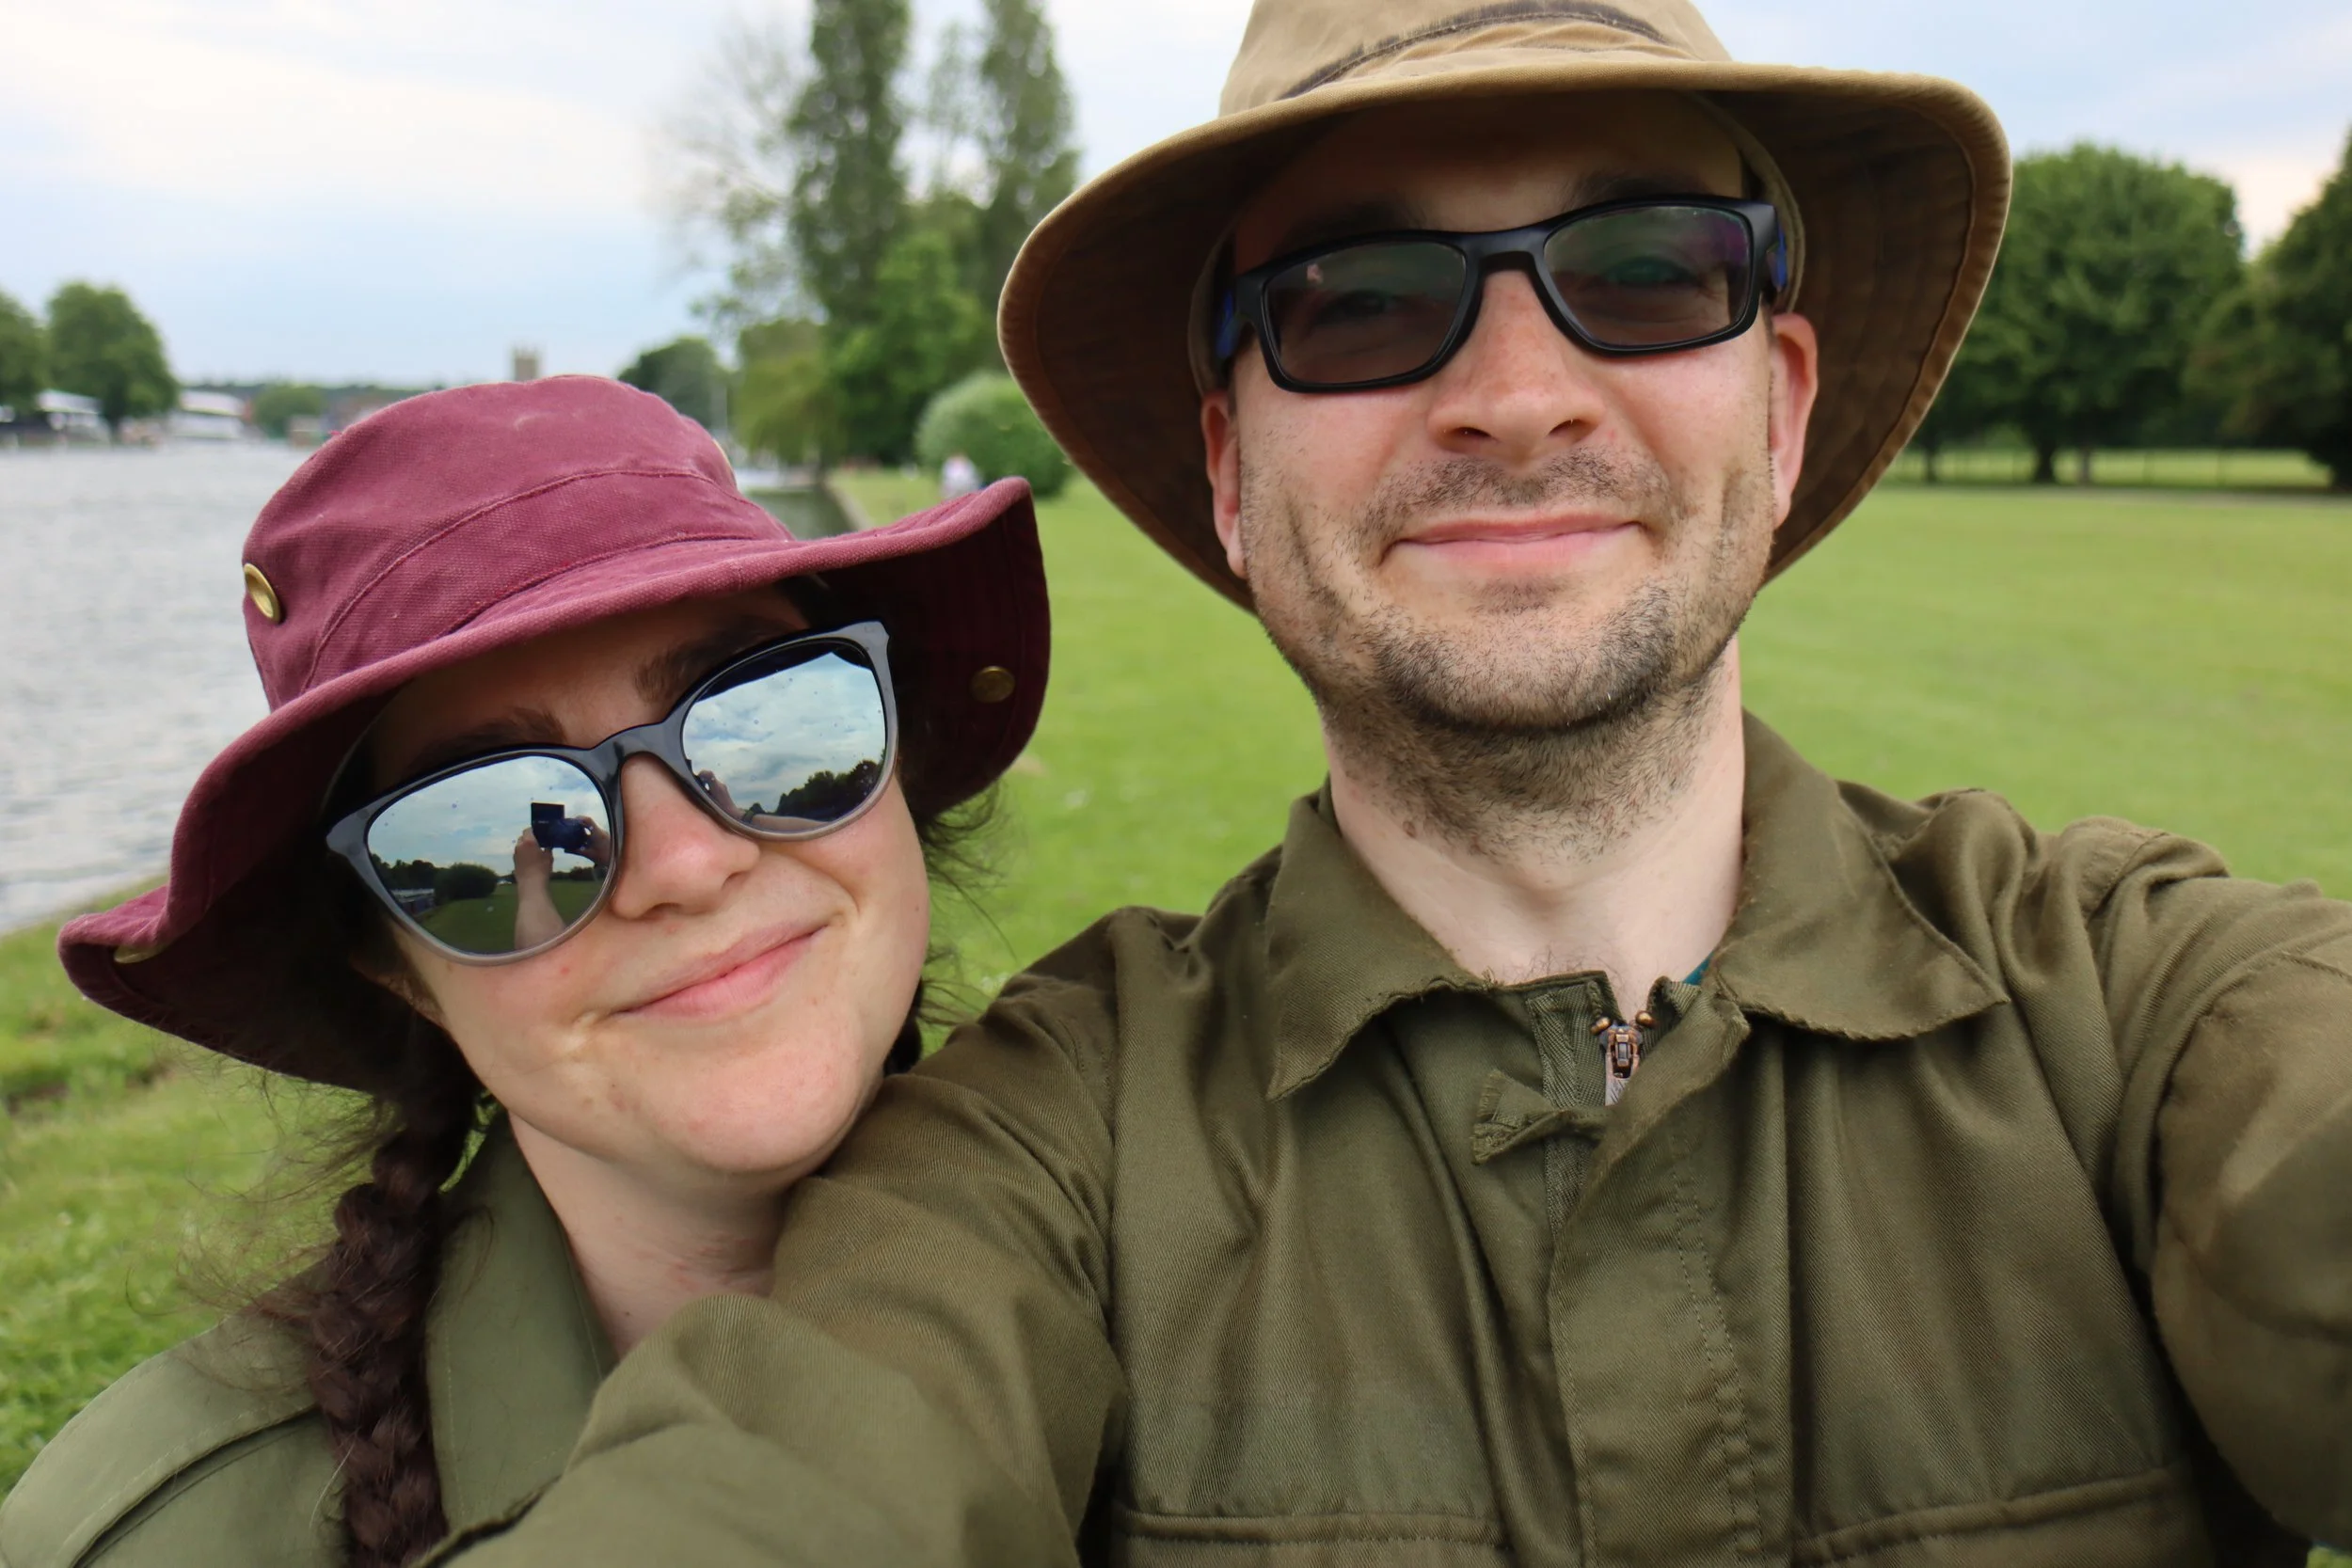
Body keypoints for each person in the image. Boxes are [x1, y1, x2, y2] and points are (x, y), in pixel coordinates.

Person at [449, 1, 2352, 1563]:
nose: (1516, 393)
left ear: (1776, 408)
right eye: (1359, 301)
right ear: (1224, 469)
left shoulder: (2135, 1003)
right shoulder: (1043, 1151)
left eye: (1641, 270)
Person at [0, 377, 1048, 1568]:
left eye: (770, 721)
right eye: (485, 830)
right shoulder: (164, 1544)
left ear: (895, 761)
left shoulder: (1210, 1249)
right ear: (388, 961)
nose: (688, 864)